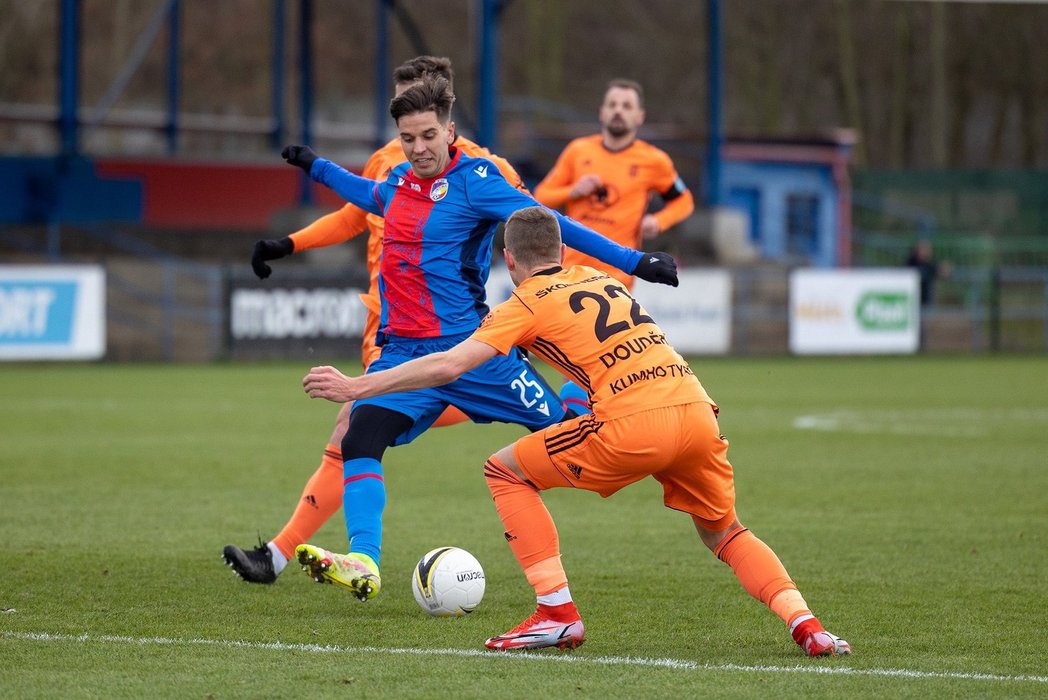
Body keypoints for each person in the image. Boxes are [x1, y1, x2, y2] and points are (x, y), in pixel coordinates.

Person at [302, 206, 851, 656]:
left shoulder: (523, 301)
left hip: (633, 423)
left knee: (504, 471)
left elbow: (448, 366)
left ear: (510, 261)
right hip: (696, 410)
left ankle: (556, 613)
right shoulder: (598, 279)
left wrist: (357, 387)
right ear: (563, 253)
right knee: (725, 532)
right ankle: (807, 626)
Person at [279, 75, 679, 603]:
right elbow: (365, 193)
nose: (418, 148)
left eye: (427, 135)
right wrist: (315, 166)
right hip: (406, 355)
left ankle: (665, 454)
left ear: (450, 132)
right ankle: (364, 560)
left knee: (574, 436)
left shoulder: (477, 181)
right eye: (408, 138)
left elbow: (550, 219)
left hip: (476, 354)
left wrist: (634, 261)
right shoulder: (397, 183)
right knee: (358, 436)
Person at [222, 57, 539, 585]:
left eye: (419, 105)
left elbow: (531, 233)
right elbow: (353, 216)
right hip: (390, 327)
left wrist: (534, 315)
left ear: (443, 106)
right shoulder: (387, 163)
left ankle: (288, 555)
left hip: (452, 330)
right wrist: (290, 243)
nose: (411, 132)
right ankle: (295, 555)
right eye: (400, 108)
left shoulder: (485, 168)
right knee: (357, 429)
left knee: (357, 424)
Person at [533, 78, 695, 292]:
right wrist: (573, 191)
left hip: (618, 276)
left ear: (640, 117)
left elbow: (685, 201)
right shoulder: (578, 151)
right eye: (612, 104)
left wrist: (658, 221)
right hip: (569, 272)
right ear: (602, 112)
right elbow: (540, 196)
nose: (618, 110)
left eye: (626, 106)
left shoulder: (654, 161)